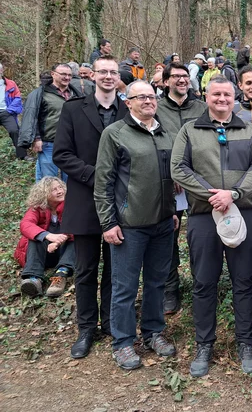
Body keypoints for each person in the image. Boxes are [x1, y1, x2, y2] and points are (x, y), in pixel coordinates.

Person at [171, 75, 252, 377]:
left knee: (243, 281)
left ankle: (246, 342)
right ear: (206, 96)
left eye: (227, 94)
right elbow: (178, 167)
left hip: (242, 215)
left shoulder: (249, 130)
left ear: (235, 97)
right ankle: (204, 345)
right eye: (216, 94)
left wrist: (234, 194)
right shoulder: (190, 130)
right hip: (203, 217)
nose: (222, 99)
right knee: (204, 282)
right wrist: (212, 195)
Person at [94, 81, 178, 370]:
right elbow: (103, 181)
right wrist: (108, 222)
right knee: (125, 287)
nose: (148, 101)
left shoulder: (166, 132)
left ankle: (154, 332)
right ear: (127, 102)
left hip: (164, 223)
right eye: (140, 97)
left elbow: (173, 176)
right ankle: (124, 343)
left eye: (151, 97)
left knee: (157, 282)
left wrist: (173, 210)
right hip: (129, 226)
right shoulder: (115, 134)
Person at [53, 54, 129, 358]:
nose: (108, 76)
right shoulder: (74, 109)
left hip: (121, 201)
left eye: (113, 72)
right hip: (84, 199)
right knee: (85, 268)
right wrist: (94, 175)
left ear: (118, 77)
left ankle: (112, 321)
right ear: (92, 76)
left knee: (116, 268)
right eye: (103, 72)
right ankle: (86, 327)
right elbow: (61, 153)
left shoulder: (128, 109)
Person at [156, 62, 207, 314]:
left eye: (185, 76)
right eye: (176, 76)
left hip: (199, 182)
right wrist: (171, 173)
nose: (182, 80)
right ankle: (169, 288)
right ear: (166, 81)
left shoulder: (202, 107)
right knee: (168, 236)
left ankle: (203, 281)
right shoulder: (155, 108)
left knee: (202, 235)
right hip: (168, 184)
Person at [19, 63, 83, 181]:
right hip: (48, 143)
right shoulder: (42, 94)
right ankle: (45, 200)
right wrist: (36, 139)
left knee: (70, 179)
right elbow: (33, 117)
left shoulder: (76, 94)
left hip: (71, 144)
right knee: (48, 180)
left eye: (70, 75)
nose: (67, 77)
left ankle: (66, 200)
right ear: (53, 74)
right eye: (63, 74)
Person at [15, 177, 75, 298]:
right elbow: (26, 225)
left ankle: (60, 275)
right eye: (54, 189)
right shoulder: (37, 208)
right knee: (35, 238)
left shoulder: (71, 205)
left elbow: (79, 225)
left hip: (65, 252)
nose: (59, 191)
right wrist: (48, 236)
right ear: (45, 193)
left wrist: (57, 242)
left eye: (60, 187)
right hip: (44, 253)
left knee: (78, 240)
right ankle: (34, 279)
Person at [0, 62, 28, 159]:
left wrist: (9, 110)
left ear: (1, 71)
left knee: (15, 131)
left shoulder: (11, 84)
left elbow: (17, 98)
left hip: (6, 112)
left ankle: (22, 156)